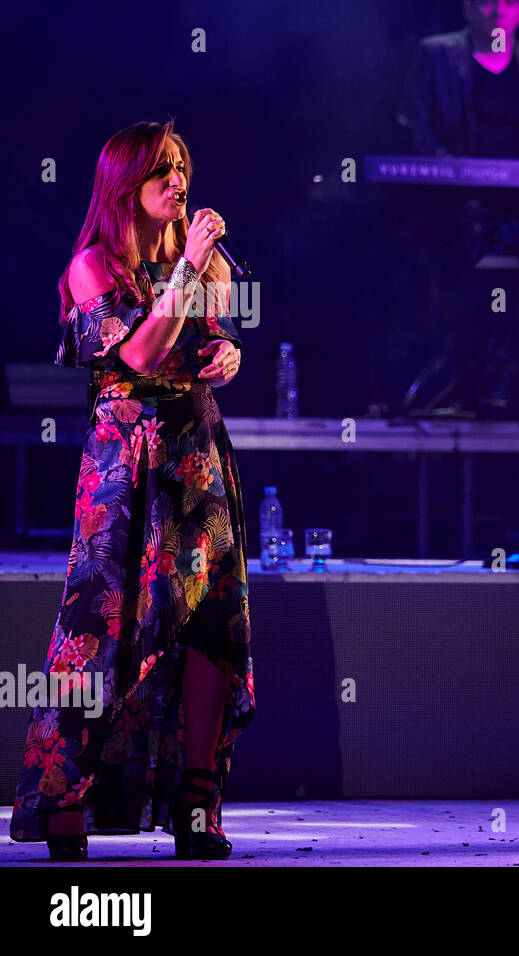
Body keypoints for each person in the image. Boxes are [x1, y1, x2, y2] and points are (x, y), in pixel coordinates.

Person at [10, 120, 255, 861]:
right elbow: (142, 349)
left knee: (212, 626)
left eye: (182, 167)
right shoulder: (94, 267)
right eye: (161, 171)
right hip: (125, 465)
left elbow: (214, 335)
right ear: (126, 186)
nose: (178, 182)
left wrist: (228, 354)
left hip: (196, 456)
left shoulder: (205, 263)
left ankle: (197, 801)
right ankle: (65, 796)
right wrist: (187, 271)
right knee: (101, 633)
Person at [398, 0, 519, 158]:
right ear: (468, 8)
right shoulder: (436, 54)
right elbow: (414, 124)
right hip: (454, 176)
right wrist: (447, 167)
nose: (499, 12)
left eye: (509, 2)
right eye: (487, 2)